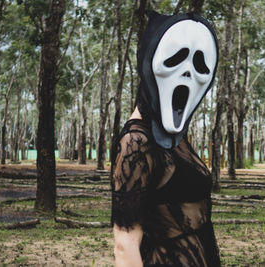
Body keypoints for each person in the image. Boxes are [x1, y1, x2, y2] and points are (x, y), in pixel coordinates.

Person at [111, 11, 221, 267]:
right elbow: (124, 245)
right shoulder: (135, 142)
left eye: (199, 64)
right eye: (177, 58)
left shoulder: (173, 137)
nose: (187, 72)